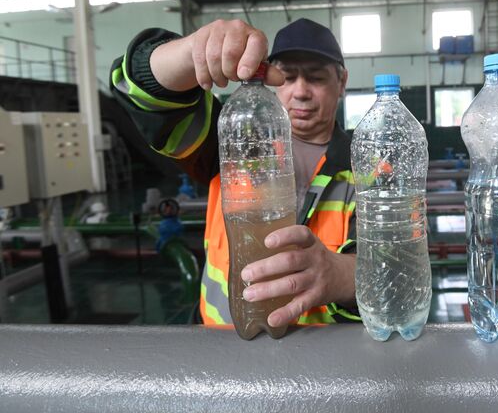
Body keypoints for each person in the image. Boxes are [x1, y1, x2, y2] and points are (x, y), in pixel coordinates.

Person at [110, 18, 359, 328]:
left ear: (343, 82)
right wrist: (192, 51)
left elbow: (395, 268)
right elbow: (142, 90)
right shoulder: (230, 140)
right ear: (268, 78)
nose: (301, 92)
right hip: (223, 352)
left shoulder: (369, 169)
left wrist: (339, 274)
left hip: (321, 362)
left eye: (317, 78)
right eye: (287, 77)